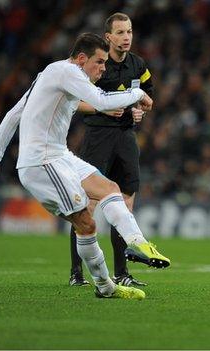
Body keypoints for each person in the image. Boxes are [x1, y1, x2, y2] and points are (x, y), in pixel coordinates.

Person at [0, 33, 170, 299]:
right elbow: (101, 101)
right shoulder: (67, 71)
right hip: (41, 163)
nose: (103, 68)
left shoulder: (49, 73)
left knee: (110, 188)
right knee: (86, 224)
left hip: (60, 155)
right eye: (99, 62)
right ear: (80, 59)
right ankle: (105, 287)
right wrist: (137, 94)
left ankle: (137, 244)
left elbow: (14, 113)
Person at [68, 12, 153, 287]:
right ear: (108, 37)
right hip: (98, 137)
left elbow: (147, 99)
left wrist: (140, 110)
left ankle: (122, 273)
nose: (126, 37)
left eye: (129, 32)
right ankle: (77, 274)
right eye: (120, 32)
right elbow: (73, 101)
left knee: (126, 204)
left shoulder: (138, 65)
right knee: (86, 206)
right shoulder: (96, 65)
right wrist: (101, 106)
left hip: (126, 138)